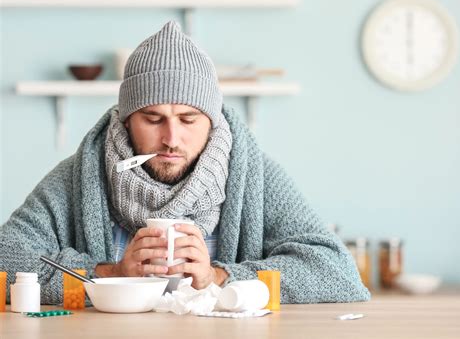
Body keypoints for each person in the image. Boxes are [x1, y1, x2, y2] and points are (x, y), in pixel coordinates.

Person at [0, 21, 370, 304]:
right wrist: (109, 274)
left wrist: (220, 277)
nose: (171, 139)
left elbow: (337, 273)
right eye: (152, 118)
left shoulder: (254, 174)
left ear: (212, 120)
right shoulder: (80, 174)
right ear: (127, 119)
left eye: (189, 119)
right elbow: (4, 256)